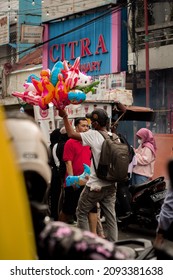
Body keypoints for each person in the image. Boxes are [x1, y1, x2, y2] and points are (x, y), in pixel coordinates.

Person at [58, 108, 118, 242]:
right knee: (111, 216)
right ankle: (115, 245)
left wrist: (65, 116)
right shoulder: (114, 136)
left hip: (95, 184)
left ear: (95, 124)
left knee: (81, 212)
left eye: (91, 121)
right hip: (112, 184)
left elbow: (71, 133)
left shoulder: (94, 135)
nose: (89, 125)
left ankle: (87, 245)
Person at [49, 128, 69, 220]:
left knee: (55, 196)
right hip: (59, 174)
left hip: (54, 173)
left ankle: (54, 215)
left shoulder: (52, 146)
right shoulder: (61, 145)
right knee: (59, 197)